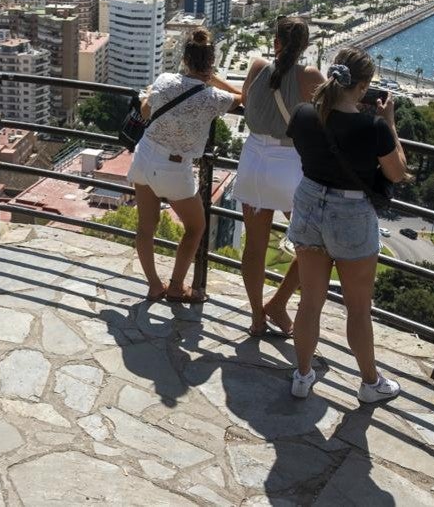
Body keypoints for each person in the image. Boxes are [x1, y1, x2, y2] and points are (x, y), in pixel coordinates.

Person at [285, 48, 408, 402]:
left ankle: (303, 374)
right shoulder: (373, 127)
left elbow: (307, 152)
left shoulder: (304, 114)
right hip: (351, 213)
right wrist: (390, 122)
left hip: (308, 202)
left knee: (310, 302)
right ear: (365, 86)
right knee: (358, 308)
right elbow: (397, 173)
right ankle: (370, 383)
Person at [128, 29, 242, 303]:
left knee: (146, 226)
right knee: (195, 227)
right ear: (210, 62)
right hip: (174, 168)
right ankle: (177, 286)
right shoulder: (213, 97)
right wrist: (212, 79)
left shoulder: (165, 80)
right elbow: (242, 97)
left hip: (144, 158)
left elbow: (145, 111)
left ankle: (155, 285)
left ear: (185, 59)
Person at [234, 17, 325, 337]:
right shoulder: (310, 76)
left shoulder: (258, 66)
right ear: (304, 47)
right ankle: (279, 302)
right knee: (315, 244)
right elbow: (329, 115)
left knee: (254, 247)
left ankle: (257, 316)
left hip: (253, 162)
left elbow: (245, 99)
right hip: (289, 166)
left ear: (275, 42)